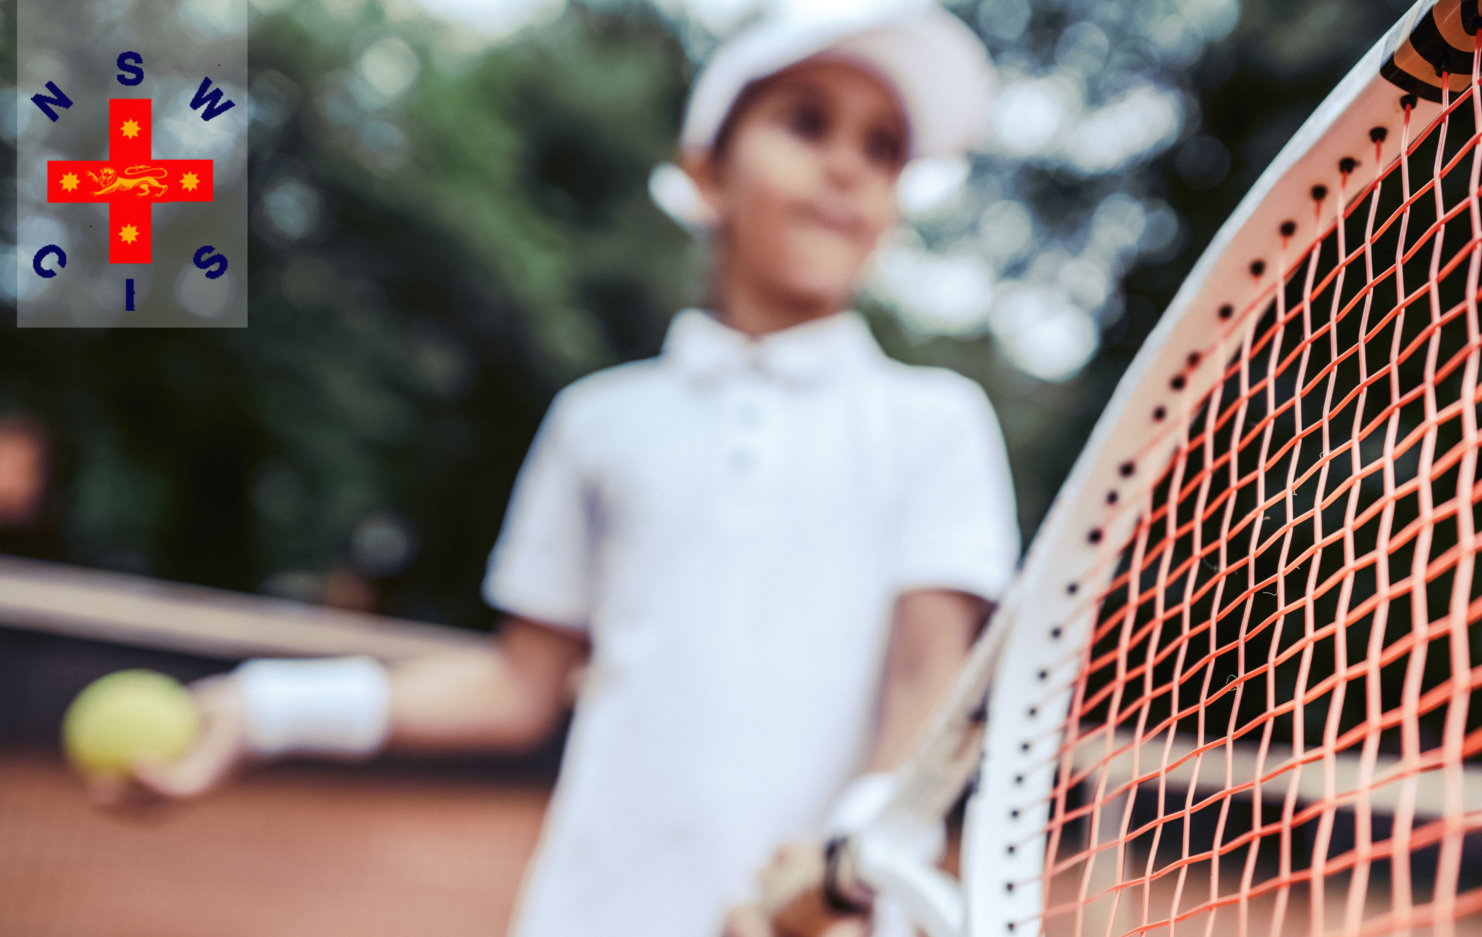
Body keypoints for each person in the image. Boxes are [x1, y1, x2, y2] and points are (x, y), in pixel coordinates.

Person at [119, 5, 1013, 935]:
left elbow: (927, 684)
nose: (846, 166)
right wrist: (263, 708)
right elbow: (518, 683)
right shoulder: (600, 422)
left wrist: (844, 866)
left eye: (884, 149)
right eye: (805, 121)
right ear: (705, 172)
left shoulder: (938, 423)